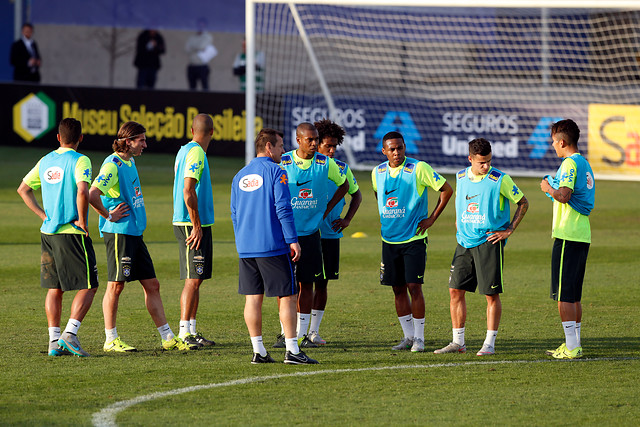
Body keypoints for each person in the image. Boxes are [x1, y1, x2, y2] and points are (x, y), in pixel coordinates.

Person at [88, 121, 193, 352]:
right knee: (116, 286)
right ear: (128, 142)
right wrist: (108, 215)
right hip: (119, 234)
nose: (145, 144)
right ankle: (110, 339)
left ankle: (167, 337)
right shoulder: (112, 165)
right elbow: (92, 194)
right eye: (141, 140)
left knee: (152, 285)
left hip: (134, 232)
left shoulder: (130, 160)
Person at [231, 128, 318, 365]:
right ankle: (292, 350)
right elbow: (283, 207)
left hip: (247, 248)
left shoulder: (239, 175)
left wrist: (243, 241)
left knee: (252, 299)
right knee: (289, 296)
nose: (283, 150)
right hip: (272, 246)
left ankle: (258, 351)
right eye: (280, 146)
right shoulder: (277, 172)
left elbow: (235, 213)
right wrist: (292, 240)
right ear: (268, 147)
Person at [434, 138, 528, 356]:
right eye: (481, 163)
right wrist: (459, 222)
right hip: (464, 242)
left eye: (488, 161)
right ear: (470, 159)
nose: (486, 166)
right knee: (455, 290)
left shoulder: (500, 179)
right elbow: (461, 201)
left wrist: (509, 230)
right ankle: (458, 342)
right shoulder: (460, 176)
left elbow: (523, 202)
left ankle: (489, 344)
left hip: (489, 242)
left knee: (490, 294)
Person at [17, 118, 98, 357]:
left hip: (48, 232)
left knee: (55, 288)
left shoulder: (46, 160)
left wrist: (43, 215)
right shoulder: (80, 159)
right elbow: (83, 190)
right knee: (89, 286)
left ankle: (54, 341)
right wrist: (83, 221)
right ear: (81, 138)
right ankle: (70, 335)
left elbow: (23, 189)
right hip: (71, 233)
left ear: (58, 138)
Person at [373, 131, 453, 352]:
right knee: (397, 289)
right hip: (389, 240)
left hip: (414, 239)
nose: (396, 152)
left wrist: (432, 218)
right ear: (384, 151)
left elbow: (446, 189)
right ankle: (408, 337)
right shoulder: (377, 172)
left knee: (414, 287)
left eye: (400, 148)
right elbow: (378, 195)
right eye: (392, 149)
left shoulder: (419, 168)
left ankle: (419, 338)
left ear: (405, 147)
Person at [277, 122, 349, 348]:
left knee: (307, 284)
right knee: (285, 286)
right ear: (298, 140)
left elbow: (344, 185)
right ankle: (284, 332)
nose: (314, 143)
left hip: (311, 235)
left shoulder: (325, 163)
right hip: (286, 234)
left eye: (316, 139)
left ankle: (301, 334)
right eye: (310, 140)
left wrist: (325, 209)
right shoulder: (284, 162)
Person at [540, 119, 594, 360]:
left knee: (564, 295)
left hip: (568, 234)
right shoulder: (583, 162)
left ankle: (571, 347)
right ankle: (575, 344)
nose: (553, 146)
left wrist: (548, 188)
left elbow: (564, 195)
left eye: (553, 142)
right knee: (573, 294)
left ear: (562, 142)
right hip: (581, 234)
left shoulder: (570, 164)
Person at [307, 118, 362, 345]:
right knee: (302, 283)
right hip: (306, 234)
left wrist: (347, 218)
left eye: (334, 146)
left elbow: (356, 194)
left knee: (322, 284)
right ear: (316, 143)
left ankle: (313, 331)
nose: (331, 151)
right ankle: (293, 331)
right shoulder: (304, 165)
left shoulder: (341, 168)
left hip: (329, 234)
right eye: (327, 146)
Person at [172, 114, 216, 347]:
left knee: (196, 279)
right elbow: (188, 191)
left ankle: (191, 330)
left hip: (192, 221)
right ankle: (183, 333)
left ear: (191, 130)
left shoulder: (184, 150)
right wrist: (196, 225)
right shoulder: (197, 152)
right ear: (212, 132)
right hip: (190, 223)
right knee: (192, 279)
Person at [185, 19, 217, 90]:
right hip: (192, 65)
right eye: (199, 25)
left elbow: (201, 46)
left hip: (202, 65)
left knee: (205, 87)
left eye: (202, 25)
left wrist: (194, 47)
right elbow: (187, 49)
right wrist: (198, 48)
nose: (200, 27)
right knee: (192, 88)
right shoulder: (191, 37)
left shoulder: (207, 36)